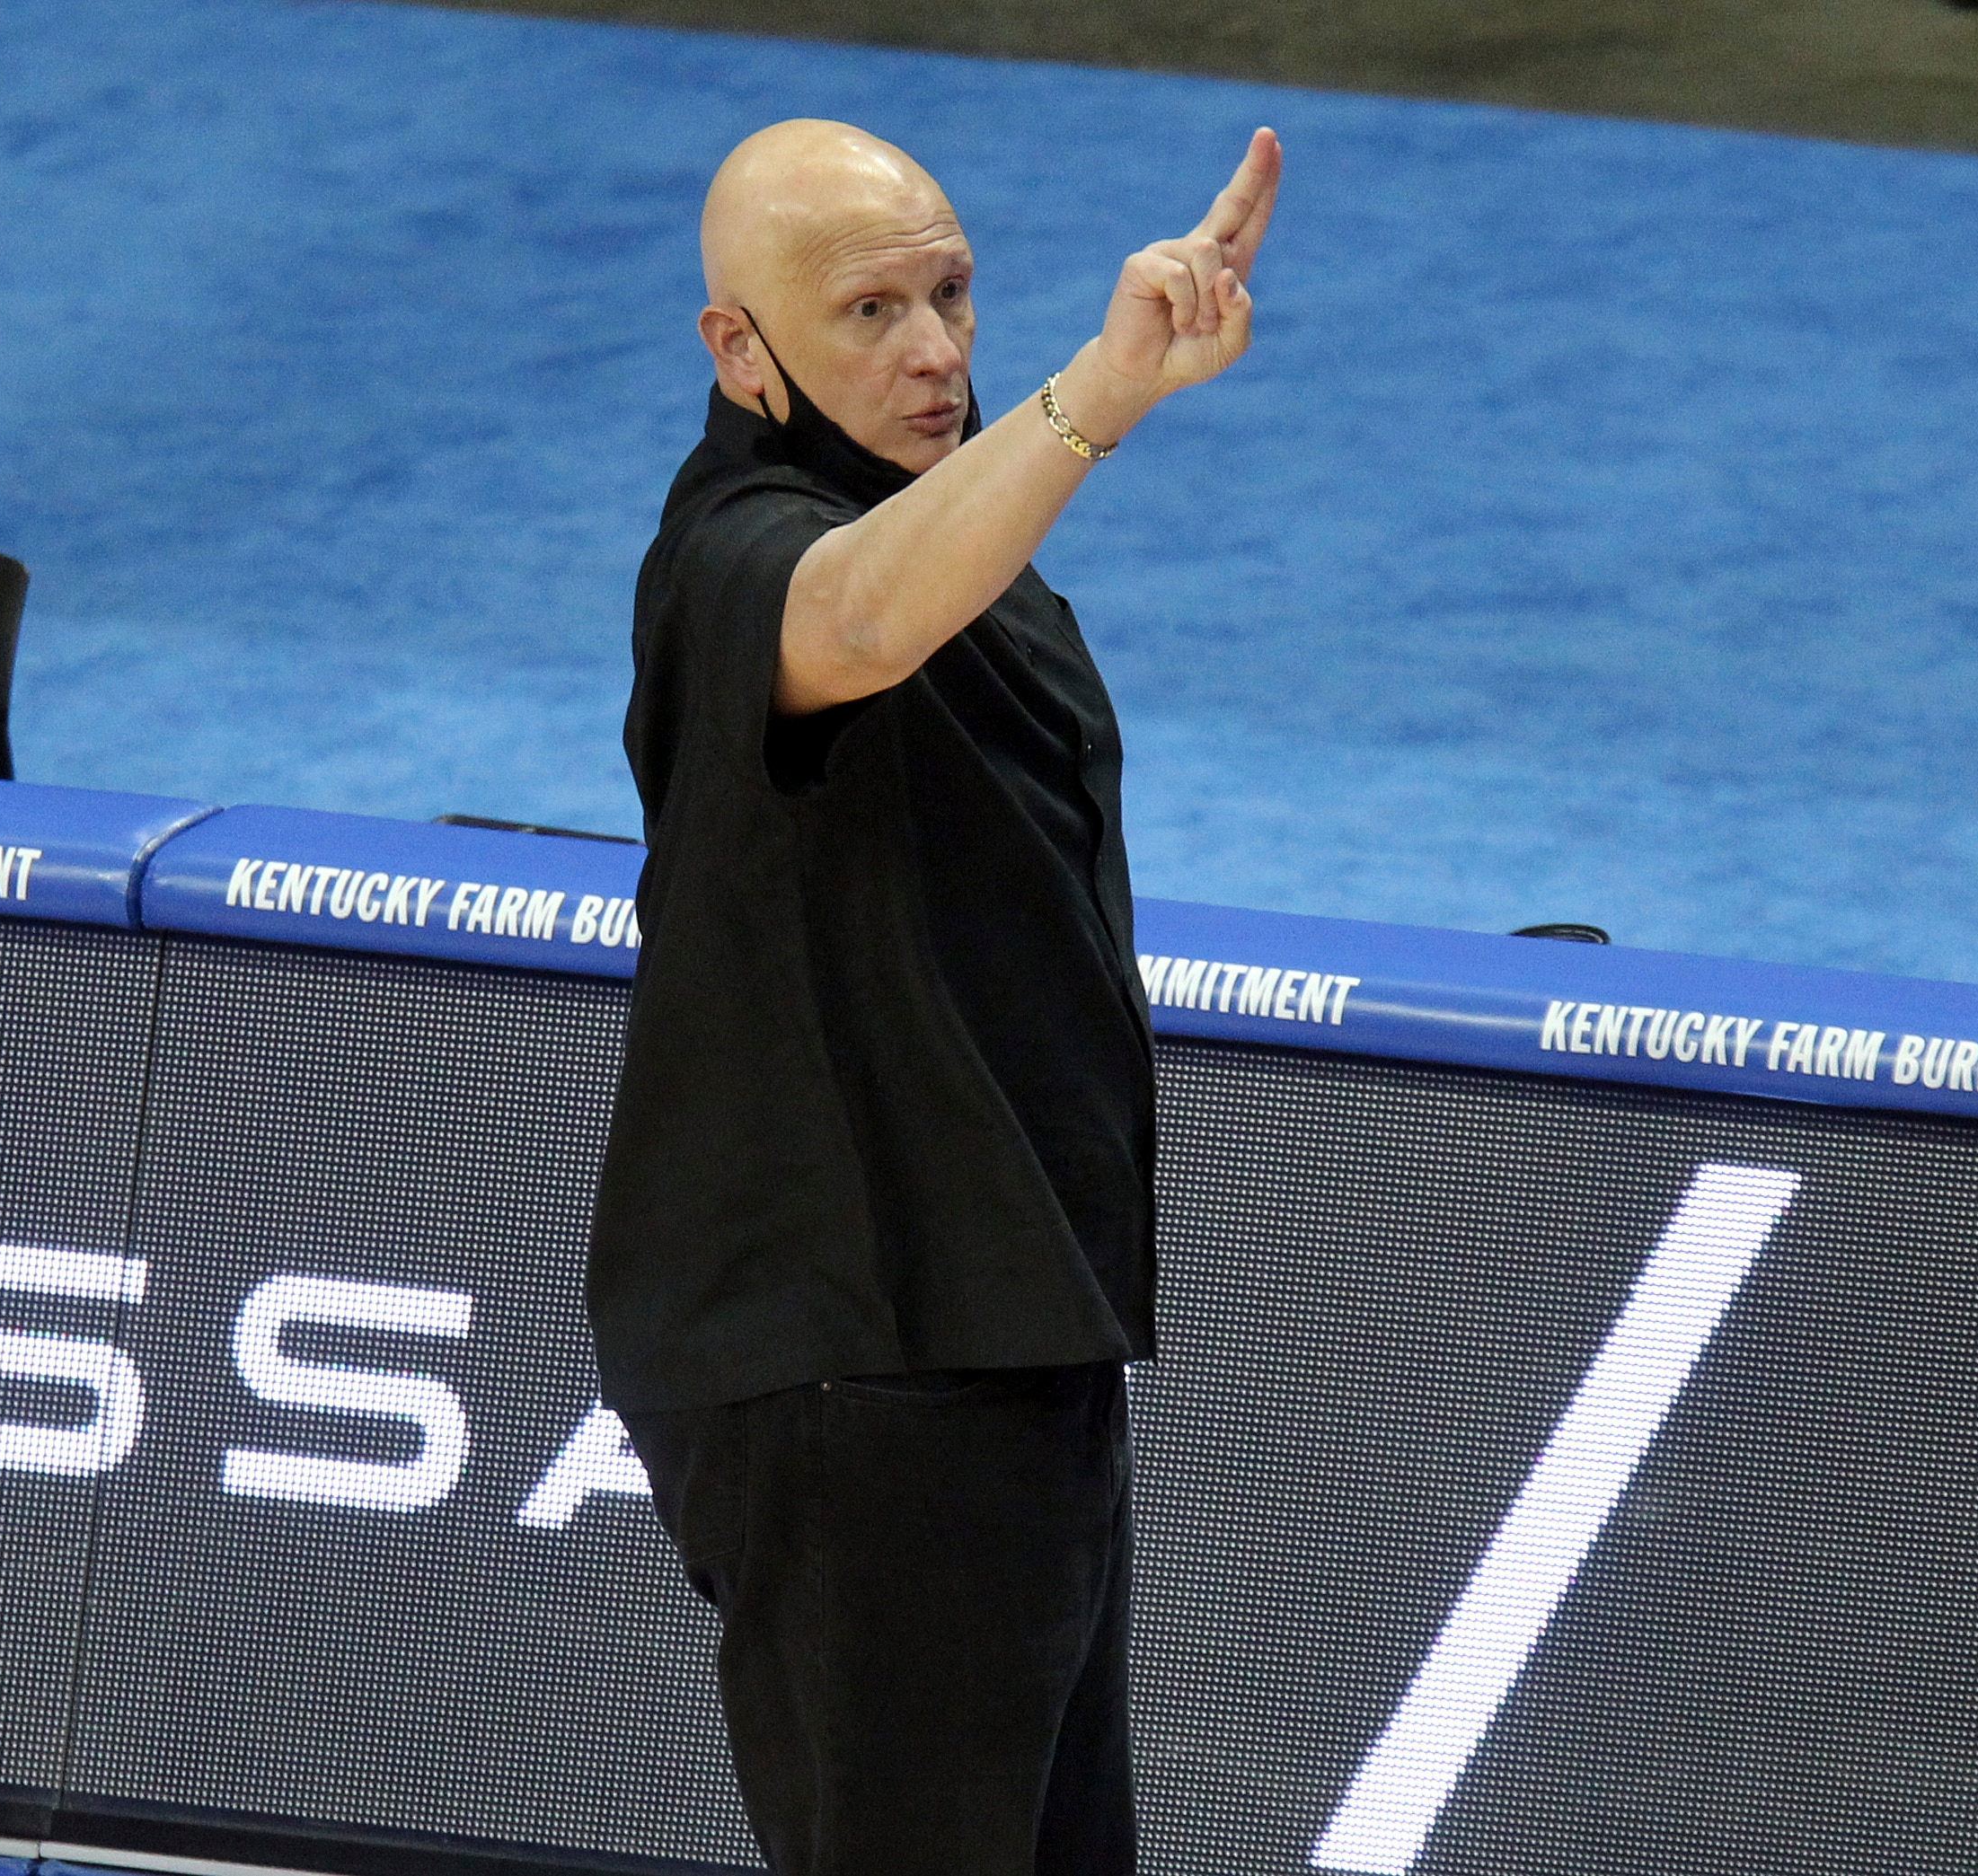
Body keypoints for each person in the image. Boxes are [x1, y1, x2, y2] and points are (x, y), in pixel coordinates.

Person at [587, 116, 1280, 1876]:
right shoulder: (738, 553)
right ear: (738, 352)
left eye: (951, 294)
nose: (933, 351)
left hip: (1001, 1333)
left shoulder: (941, 508)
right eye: (868, 315)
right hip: (859, 1371)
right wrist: (1098, 394)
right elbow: (860, 625)